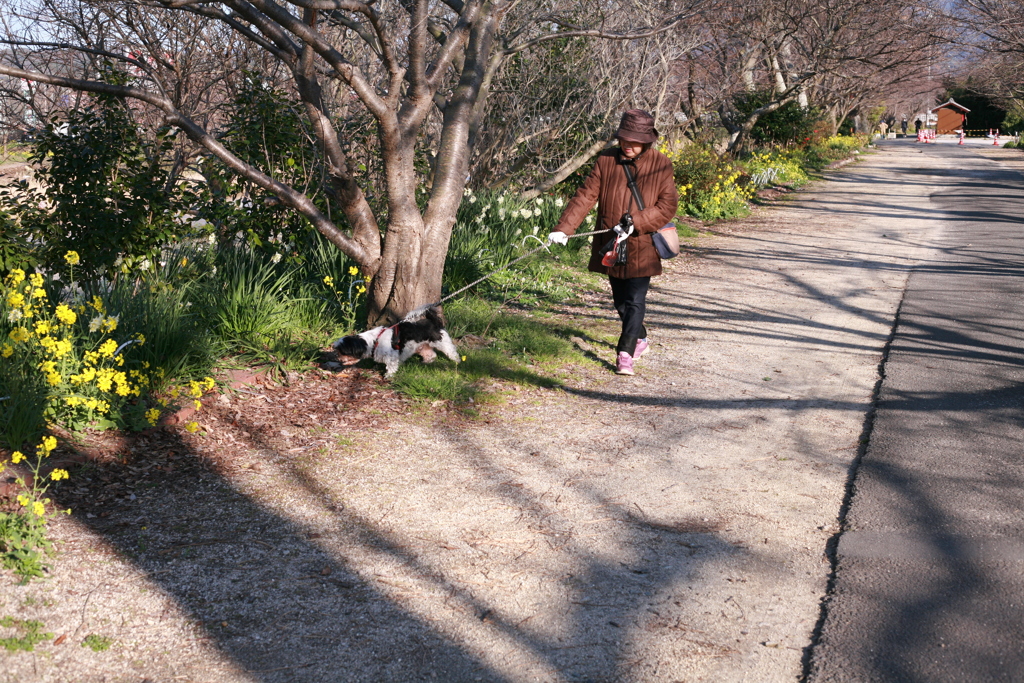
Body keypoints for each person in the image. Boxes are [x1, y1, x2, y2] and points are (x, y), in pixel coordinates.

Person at [548, 109, 679, 376]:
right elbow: (585, 196)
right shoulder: (606, 160)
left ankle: (625, 353)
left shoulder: (660, 163)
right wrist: (564, 229)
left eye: (635, 140)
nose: (629, 145)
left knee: (635, 300)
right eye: (625, 139)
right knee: (620, 301)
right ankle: (640, 337)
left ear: (647, 140)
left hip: (642, 244)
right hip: (611, 244)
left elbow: (667, 206)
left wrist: (637, 222)